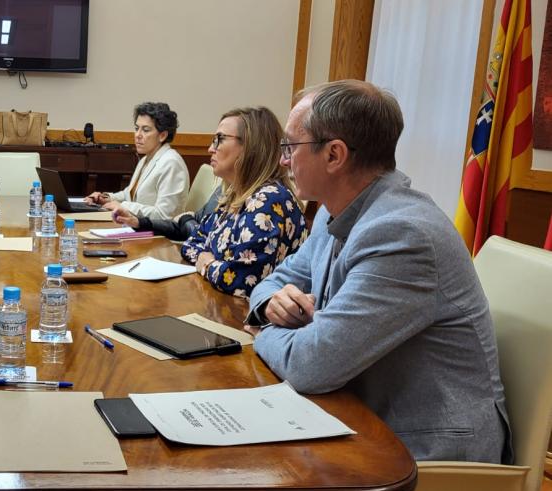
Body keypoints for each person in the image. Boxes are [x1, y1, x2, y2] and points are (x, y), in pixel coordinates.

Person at [245, 80, 511, 463]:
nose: (283, 160)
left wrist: (262, 330)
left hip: (428, 450)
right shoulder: (331, 210)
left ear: (334, 155)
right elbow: (275, 279)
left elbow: (312, 364)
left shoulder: (403, 234)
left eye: (290, 147)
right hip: (358, 412)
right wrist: (271, 302)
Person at [116, 107, 307, 297]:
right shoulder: (234, 195)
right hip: (220, 303)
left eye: (220, 139)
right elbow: (192, 242)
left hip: (249, 320)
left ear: (250, 147)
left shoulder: (269, 200)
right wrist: (209, 259)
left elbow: (240, 281)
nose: (210, 148)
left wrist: (207, 263)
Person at [84, 102, 189, 219]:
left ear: (162, 135)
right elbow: (129, 194)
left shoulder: (171, 163)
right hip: (138, 227)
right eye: (136, 128)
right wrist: (106, 198)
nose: (138, 135)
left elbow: (164, 215)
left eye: (146, 130)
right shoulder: (146, 158)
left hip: (159, 234)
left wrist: (122, 206)